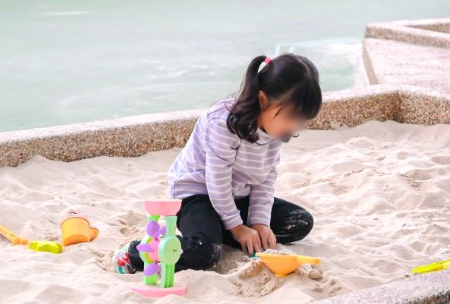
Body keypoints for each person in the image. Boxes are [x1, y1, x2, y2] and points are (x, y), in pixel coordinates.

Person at [115, 53, 321, 274]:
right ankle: (136, 252)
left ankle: (212, 229)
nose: (294, 127)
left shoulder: (274, 131)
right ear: (262, 99)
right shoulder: (223, 123)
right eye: (291, 117)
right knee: (206, 253)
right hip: (197, 194)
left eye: (301, 121)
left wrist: (260, 223)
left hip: (234, 197)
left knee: (299, 222)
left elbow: (264, 181)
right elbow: (217, 183)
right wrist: (238, 227)